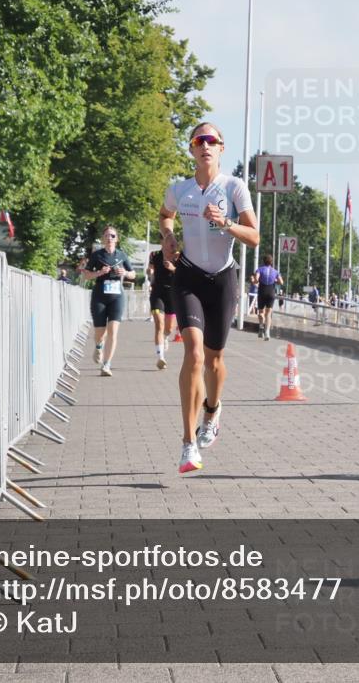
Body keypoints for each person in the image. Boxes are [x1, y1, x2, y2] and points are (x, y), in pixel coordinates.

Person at [159, 122, 259, 474]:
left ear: (221, 148)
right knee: (194, 354)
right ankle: (188, 444)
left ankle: (212, 411)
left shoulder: (234, 187)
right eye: (199, 141)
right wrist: (168, 237)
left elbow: (254, 237)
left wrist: (226, 222)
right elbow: (165, 215)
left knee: (214, 361)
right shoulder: (180, 189)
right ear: (191, 149)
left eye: (211, 141)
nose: (205, 146)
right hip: (188, 277)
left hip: (223, 280)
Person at [80, 226, 136, 377]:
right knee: (100, 333)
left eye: (112, 236)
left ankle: (106, 364)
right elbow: (86, 275)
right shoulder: (97, 255)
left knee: (113, 331)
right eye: (107, 236)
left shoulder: (122, 255)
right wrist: (99, 272)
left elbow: (133, 274)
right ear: (103, 239)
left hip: (117, 296)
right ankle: (98, 346)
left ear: (117, 239)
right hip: (99, 296)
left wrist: (125, 272)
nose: (110, 238)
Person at [147, 246, 176, 370]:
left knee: (168, 329)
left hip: (173, 294)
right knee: (159, 324)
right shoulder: (154, 255)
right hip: (157, 293)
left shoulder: (178, 256)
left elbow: (185, 274)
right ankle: (161, 357)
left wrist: (173, 268)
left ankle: (166, 337)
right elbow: (150, 268)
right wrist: (149, 272)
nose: (171, 244)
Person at [250, 255, 283, 340]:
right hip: (271, 292)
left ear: (263, 261)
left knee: (261, 312)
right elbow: (281, 282)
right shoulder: (275, 271)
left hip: (262, 292)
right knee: (268, 313)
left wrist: (253, 280)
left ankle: (261, 325)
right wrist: (275, 280)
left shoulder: (259, 269)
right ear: (271, 262)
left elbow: (256, 280)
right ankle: (267, 332)